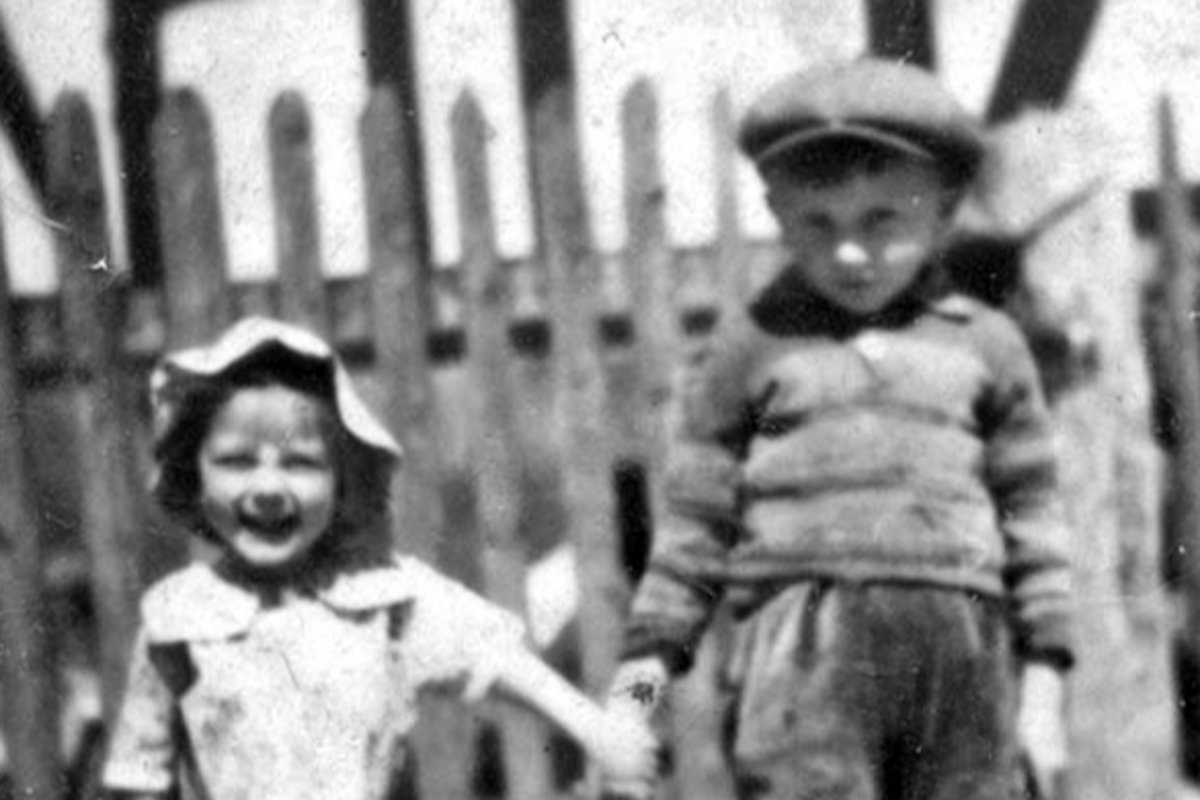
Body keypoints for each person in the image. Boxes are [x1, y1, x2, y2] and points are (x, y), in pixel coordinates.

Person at [602, 58, 1073, 800]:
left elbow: (1036, 528)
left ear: (944, 212)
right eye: (817, 223)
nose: (849, 252)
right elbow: (691, 536)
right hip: (800, 668)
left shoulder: (989, 346)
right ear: (777, 212)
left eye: (882, 220)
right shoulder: (749, 347)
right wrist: (632, 699)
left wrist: (1042, 703)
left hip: (963, 669)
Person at [101, 316, 658, 800]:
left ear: (342, 482)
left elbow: (492, 658)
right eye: (237, 462)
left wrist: (600, 733)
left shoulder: (381, 599)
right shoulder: (178, 619)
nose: (268, 488)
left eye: (299, 464)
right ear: (194, 477)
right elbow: (140, 771)